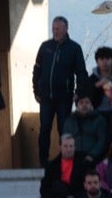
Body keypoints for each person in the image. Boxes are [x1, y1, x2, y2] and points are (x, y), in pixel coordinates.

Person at [36, 16, 87, 161]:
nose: (55, 31)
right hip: (46, 98)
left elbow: (82, 73)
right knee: (44, 129)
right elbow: (37, 70)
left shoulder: (74, 48)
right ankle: (43, 162)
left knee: (63, 131)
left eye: (58, 29)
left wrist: (78, 93)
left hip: (64, 98)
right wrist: (36, 90)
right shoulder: (45, 47)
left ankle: (63, 161)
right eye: (53, 29)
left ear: (66, 29)